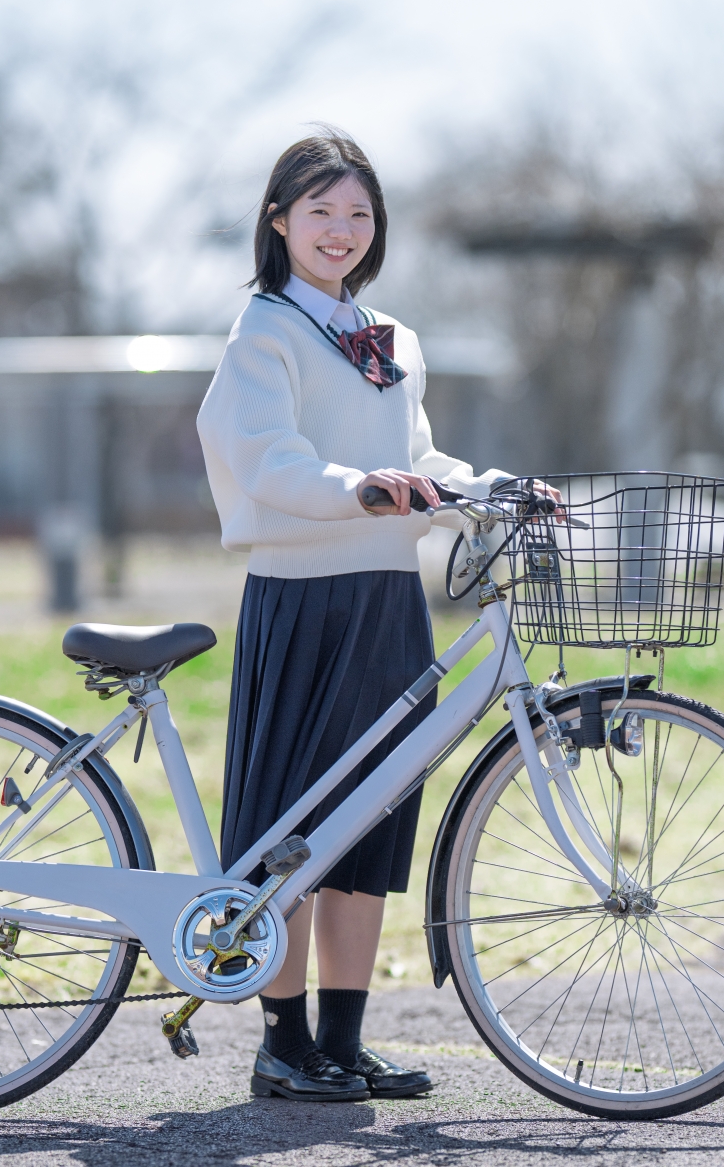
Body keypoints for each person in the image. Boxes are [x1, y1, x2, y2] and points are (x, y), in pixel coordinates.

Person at [196, 128, 515, 1103]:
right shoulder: (265, 331)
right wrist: (360, 487)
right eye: (320, 211)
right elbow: (265, 459)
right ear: (278, 219)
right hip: (303, 600)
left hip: (387, 599)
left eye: (359, 213)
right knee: (295, 824)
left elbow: (421, 456)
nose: (341, 230)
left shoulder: (391, 339)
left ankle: (342, 1038)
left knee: (371, 822)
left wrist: (495, 489)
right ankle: (281, 1042)